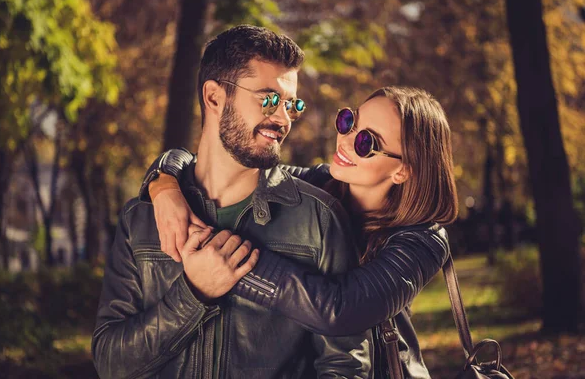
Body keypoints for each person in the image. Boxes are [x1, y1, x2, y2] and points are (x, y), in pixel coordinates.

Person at [92, 25, 373, 379]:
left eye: (292, 104)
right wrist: (193, 295)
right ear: (214, 97)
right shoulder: (142, 219)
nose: (284, 119)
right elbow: (109, 363)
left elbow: (347, 367)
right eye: (269, 99)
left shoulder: (317, 219)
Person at [142, 85, 459, 379]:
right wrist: (163, 185)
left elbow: (339, 309)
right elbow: (205, 162)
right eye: (348, 121)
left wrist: (227, 260)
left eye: (367, 142)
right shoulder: (318, 185)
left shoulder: (422, 241)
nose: (346, 140)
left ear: (403, 170)